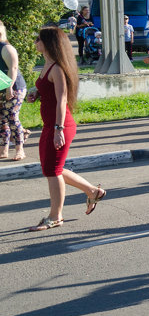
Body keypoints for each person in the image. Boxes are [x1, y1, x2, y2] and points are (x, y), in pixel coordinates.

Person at [26, 26, 107, 230]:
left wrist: (58, 129)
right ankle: (92, 191)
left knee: (53, 171)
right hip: (50, 126)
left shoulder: (57, 69)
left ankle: (55, 216)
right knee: (51, 168)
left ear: (49, 43)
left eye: (39, 39)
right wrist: (37, 92)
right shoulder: (47, 65)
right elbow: (50, 91)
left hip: (60, 126)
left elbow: (62, 100)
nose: (36, 42)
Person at [0, 20, 29, 161]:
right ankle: (4, 150)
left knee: (12, 117)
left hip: (14, 87)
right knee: (1, 120)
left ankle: (20, 150)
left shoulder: (6, 48)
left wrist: (9, 88)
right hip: (1, 86)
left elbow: (13, 69)